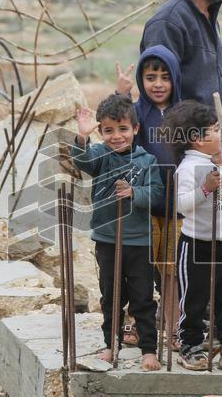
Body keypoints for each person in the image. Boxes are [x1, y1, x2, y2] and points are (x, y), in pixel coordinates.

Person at [71, 94, 165, 371]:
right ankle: (111, 345)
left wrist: (134, 192)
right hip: (107, 240)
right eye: (109, 130)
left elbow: (157, 193)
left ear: (135, 128)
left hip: (139, 241)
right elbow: (81, 161)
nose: (116, 136)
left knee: (142, 296)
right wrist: (82, 137)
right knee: (111, 296)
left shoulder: (147, 161)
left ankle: (148, 349)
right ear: (101, 131)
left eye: (123, 129)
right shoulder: (100, 156)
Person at [163, 100, 222, 371]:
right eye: (215, 130)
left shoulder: (213, 163)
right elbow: (181, 205)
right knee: (194, 298)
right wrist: (205, 189)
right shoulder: (187, 168)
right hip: (196, 244)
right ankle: (190, 345)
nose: (220, 134)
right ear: (197, 139)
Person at [113, 46, 183, 346]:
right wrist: (121, 94)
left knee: (171, 271)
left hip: (178, 208)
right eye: (151, 77)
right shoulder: (137, 112)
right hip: (143, 206)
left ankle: (174, 326)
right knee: (139, 268)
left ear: (175, 78)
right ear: (141, 80)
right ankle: (136, 323)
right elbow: (117, 127)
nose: (158, 84)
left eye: (165, 77)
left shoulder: (184, 113)